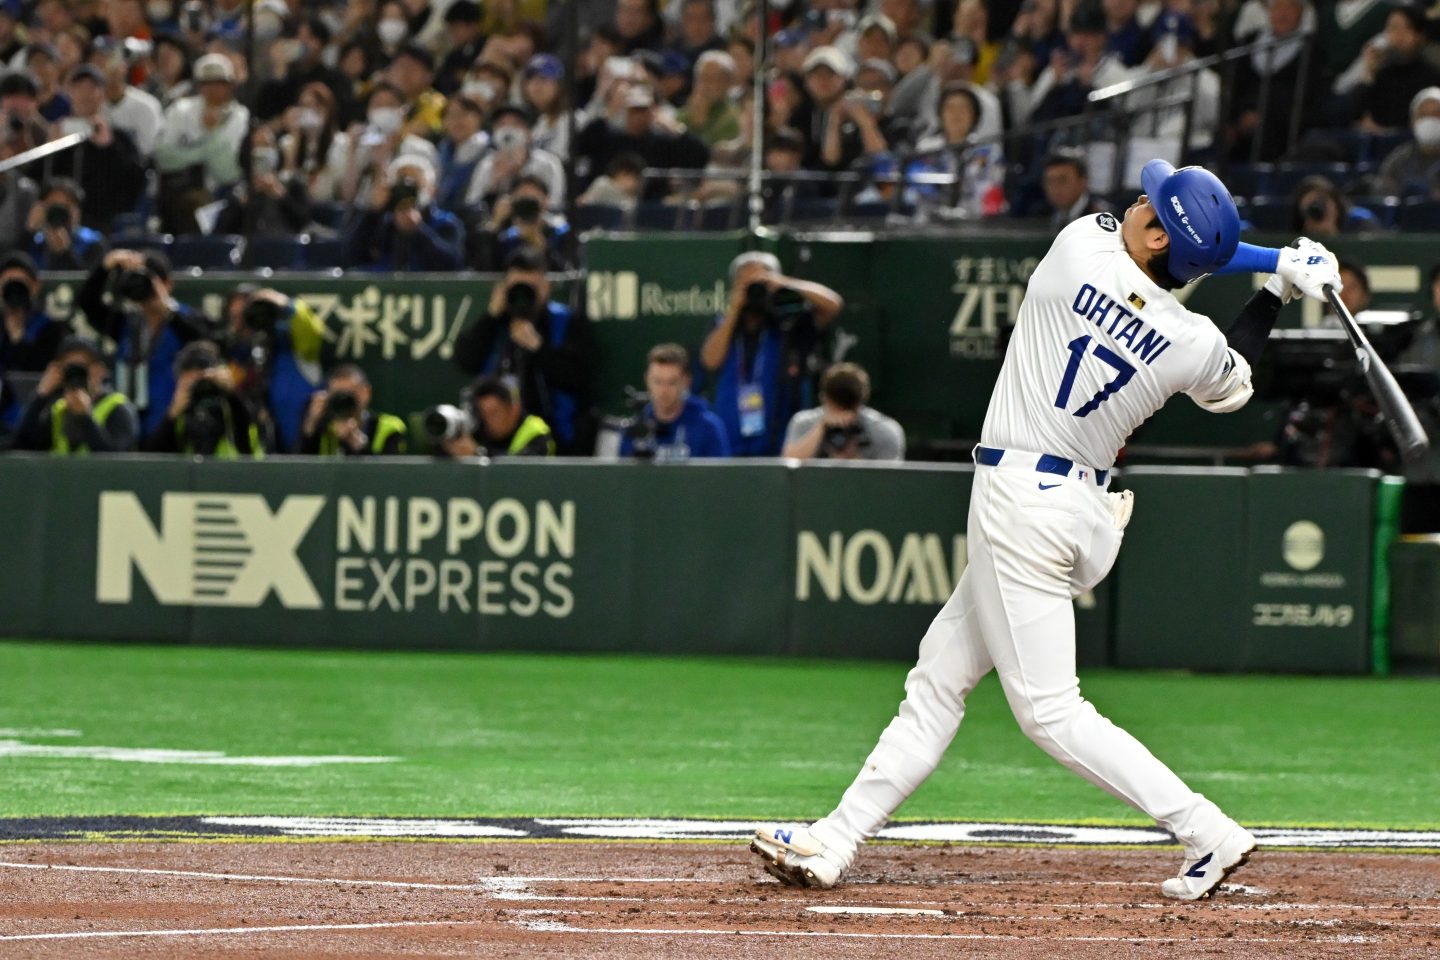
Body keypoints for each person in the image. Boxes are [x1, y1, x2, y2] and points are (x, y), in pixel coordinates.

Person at [751, 160, 1346, 901]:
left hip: (1020, 504)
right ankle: (835, 839)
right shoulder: (1190, 340)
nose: (1137, 201)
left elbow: (1176, 252)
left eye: (1152, 204)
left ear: (1160, 237)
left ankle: (1207, 830)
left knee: (1050, 711)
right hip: (1076, 511)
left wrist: (1271, 259)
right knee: (939, 676)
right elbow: (1234, 380)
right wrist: (1280, 284)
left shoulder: (1078, 249)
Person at [699, 252, 844, 456]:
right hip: (732, 439)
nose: (755, 290)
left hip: (783, 440)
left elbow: (833, 304)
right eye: (747, 284)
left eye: (760, 283)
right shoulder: (724, 324)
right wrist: (734, 310)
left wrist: (784, 283)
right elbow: (710, 361)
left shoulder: (790, 322)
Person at [452, 248, 592, 453]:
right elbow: (465, 361)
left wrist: (538, 348)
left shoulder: (566, 322)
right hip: (494, 439)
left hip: (554, 439)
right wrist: (490, 316)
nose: (523, 296)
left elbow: (579, 377)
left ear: (546, 287)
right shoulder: (495, 323)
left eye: (530, 288)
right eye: (516, 287)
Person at [77, 248, 210, 437]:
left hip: (171, 424)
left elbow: (204, 342)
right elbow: (87, 303)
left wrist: (167, 310)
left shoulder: (185, 320)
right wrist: (106, 265)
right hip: (128, 424)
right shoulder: (127, 323)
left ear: (167, 284)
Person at [152, 52, 250, 233]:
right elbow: (162, 157)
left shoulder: (240, 116)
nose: (212, 89)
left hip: (221, 195)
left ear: (230, 85)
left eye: (219, 82)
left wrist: (212, 133)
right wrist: (204, 153)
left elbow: (228, 173)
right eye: (206, 82)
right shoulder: (181, 109)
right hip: (176, 192)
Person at [14, 335, 138, 454]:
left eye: (83, 369)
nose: (77, 376)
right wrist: (40, 396)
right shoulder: (58, 411)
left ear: (100, 370)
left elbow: (117, 460)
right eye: (70, 369)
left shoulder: (118, 409)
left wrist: (85, 418)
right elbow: (21, 446)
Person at [141, 339, 263, 458]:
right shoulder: (179, 415)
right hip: (190, 471)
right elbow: (153, 459)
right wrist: (172, 414)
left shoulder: (230, 408)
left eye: (204, 380)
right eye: (193, 381)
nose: (200, 386)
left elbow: (252, 449)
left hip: (229, 471)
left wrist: (231, 394)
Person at [349, 155, 466, 271]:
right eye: (401, 183)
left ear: (431, 190)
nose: (407, 190)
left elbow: (452, 265)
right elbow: (350, 257)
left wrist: (418, 230)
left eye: (414, 184)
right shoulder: (383, 221)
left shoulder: (446, 223)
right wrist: (373, 212)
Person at [619, 343, 730, 460]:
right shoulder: (635, 430)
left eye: (672, 382)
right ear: (647, 379)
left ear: (686, 382)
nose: (664, 390)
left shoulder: (708, 427)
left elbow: (721, 470)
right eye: (657, 381)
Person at [782, 363, 905, 461]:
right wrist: (822, 427)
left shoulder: (884, 430)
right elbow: (789, 463)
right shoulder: (804, 423)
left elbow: (889, 479)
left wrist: (852, 461)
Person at [0, 251, 68, 429]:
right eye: (9, 284)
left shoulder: (51, 328)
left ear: (35, 286)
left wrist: (19, 339)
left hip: (37, 415)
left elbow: (44, 371)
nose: (15, 291)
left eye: (21, 284)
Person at [463, 104, 567, 210]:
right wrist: (495, 183)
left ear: (529, 132)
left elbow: (556, 204)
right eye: (501, 124)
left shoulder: (548, 163)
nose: (508, 129)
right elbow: (472, 205)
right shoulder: (487, 165)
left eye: (516, 124)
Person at [298, 364, 407, 455]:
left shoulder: (389, 428)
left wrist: (357, 443)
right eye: (338, 395)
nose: (343, 401)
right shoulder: (321, 427)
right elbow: (299, 467)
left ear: (366, 392)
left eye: (349, 394)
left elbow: (391, 471)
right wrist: (311, 424)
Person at [24, 178, 109, 271]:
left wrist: (66, 253)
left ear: (77, 211)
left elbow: (91, 278)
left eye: (66, 206)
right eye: (54, 206)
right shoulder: (34, 242)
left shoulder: (93, 243)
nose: (59, 213)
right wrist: (29, 231)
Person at [466, 375, 556, 457]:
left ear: (514, 409)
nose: (488, 420)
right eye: (483, 414)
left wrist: (477, 455)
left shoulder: (537, 432)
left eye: (494, 413)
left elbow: (521, 467)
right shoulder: (480, 431)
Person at [1376, 87, 1440, 198]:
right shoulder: (1399, 159)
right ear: (1413, 122)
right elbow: (1383, 192)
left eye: (1436, 114)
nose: (1429, 120)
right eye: (1423, 115)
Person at [1040, 152, 1111, 227]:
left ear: (1083, 182)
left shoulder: (1102, 218)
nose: (1055, 187)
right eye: (1050, 181)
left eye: (1062, 180)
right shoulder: (1040, 214)